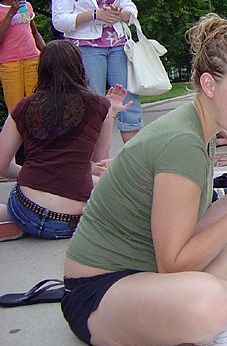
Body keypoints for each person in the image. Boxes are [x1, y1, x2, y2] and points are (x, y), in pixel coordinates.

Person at [61, 14, 227, 346]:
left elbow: (188, 226)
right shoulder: (182, 142)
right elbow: (175, 263)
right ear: (209, 85)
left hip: (147, 271)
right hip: (99, 292)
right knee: (213, 304)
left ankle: (210, 301)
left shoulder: (202, 128)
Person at [0, 40, 131, 241]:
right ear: (79, 67)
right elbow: (99, 158)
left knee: (23, 205)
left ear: (41, 69)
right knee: (106, 178)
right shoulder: (98, 104)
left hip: (26, 207)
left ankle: (17, 221)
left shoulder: (23, 107)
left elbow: (1, 165)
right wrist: (111, 112)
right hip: (68, 221)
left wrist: (32, 171)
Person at [51, 0, 142, 143]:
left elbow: (132, 8)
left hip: (119, 45)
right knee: (93, 103)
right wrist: (95, 15)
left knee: (129, 101)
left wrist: (123, 14)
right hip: (86, 47)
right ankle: (94, 164)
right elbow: (60, 21)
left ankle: (136, 158)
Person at [0, 0, 45, 111]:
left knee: (36, 102)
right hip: (9, 62)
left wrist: (47, 51)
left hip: (32, 58)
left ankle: (35, 133)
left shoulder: (27, 6)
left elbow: (34, 31)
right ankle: (16, 133)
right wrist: (10, 13)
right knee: (15, 106)